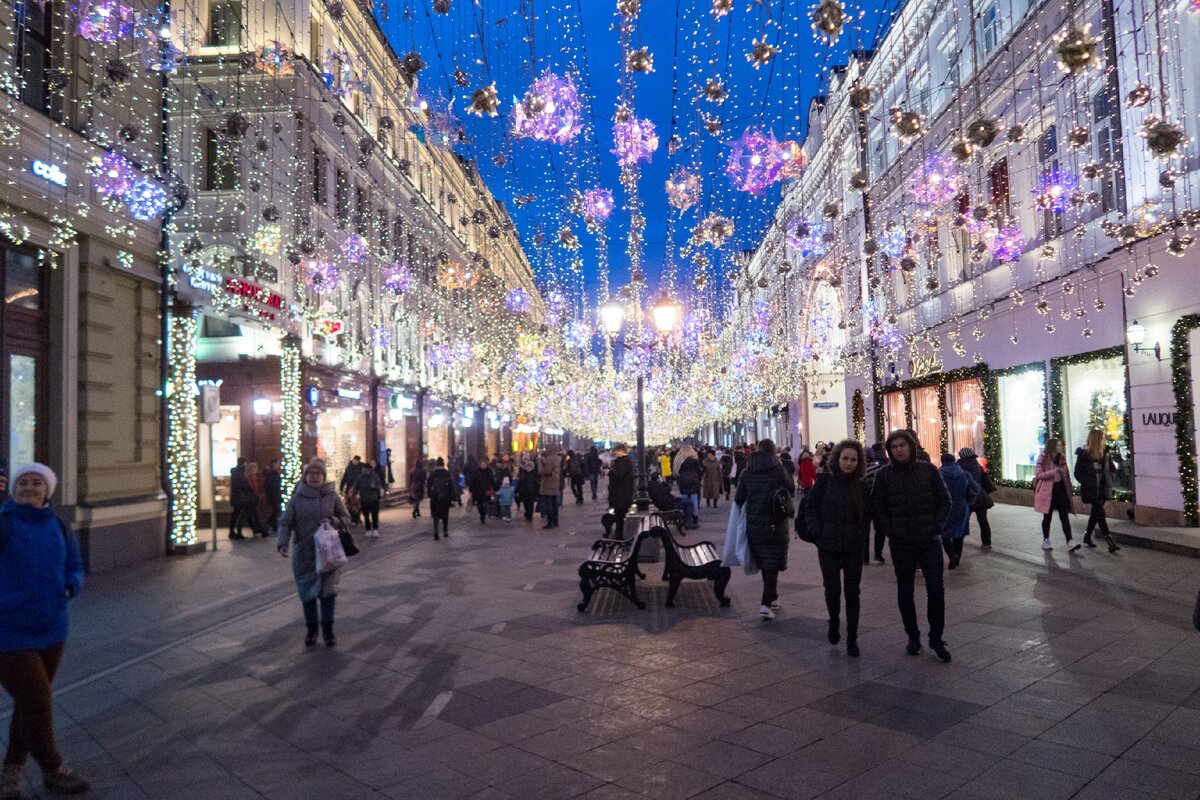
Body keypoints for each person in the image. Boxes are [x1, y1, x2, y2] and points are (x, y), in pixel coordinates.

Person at [0, 464, 90, 798]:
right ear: (14, 489)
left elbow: (76, 567)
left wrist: (72, 585)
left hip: (53, 627)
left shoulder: (58, 525)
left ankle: (11, 770)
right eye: (22, 482)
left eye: (36, 482)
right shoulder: (5, 522)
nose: (28, 487)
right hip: (9, 628)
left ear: (47, 491)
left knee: (29, 703)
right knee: (37, 699)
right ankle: (53, 768)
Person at [870, 430, 953, 662]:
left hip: (929, 541)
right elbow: (878, 508)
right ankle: (913, 637)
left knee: (936, 589)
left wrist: (937, 526)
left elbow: (945, 500)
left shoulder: (928, 470)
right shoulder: (884, 475)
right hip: (901, 543)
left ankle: (936, 638)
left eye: (902, 445)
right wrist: (891, 529)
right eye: (894, 446)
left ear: (911, 446)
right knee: (905, 591)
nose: (898, 449)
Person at [804, 441, 869, 657]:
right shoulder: (824, 482)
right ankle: (834, 621)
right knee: (832, 590)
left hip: (853, 547)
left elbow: (868, 514)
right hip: (828, 545)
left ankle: (852, 638)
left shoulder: (862, 486)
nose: (848, 463)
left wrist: (862, 537)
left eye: (853, 459)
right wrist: (817, 531)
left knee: (853, 592)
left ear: (858, 462)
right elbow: (810, 507)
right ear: (837, 459)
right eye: (845, 458)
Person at [276, 459, 349, 648]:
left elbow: (346, 518)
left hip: (328, 552)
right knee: (307, 593)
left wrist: (334, 520)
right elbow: (285, 522)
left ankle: (328, 630)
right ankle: (311, 630)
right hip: (305, 553)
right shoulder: (297, 498)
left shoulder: (332, 496)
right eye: (311, 473)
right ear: (306, 476)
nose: (315, 476)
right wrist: (283, 542)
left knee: (328, 593)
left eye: (318, 473)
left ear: (324, 476)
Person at [735, 439, 795, 621]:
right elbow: (791, 489)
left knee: (766, 563)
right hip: (775, 523)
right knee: (772, 564)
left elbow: (738, 499)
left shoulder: (747, 472)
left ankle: (773, 597)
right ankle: (765, 603)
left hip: (754, 526)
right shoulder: (777, 470)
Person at [1075, 429, 1121, 553]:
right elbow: (1077, 473)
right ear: (1096, 439)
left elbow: (1112, 468)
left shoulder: (1105, 452)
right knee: (1100, 513)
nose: (1103, 440)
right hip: (1091, 489)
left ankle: (1087, 536)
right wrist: (1086, 482)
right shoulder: (1084, 453)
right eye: (1102, 438)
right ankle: (1109, 540)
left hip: (1102, 488)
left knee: (1096, 513)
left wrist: (1110, 477)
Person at [1035, 439, 1079, 553]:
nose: (1060, 446)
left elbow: (1066, 474)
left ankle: (1070, 541)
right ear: (1053, 446)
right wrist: (1054, 472)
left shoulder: (1061, 457)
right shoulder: (1043, 457)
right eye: (1058, 444)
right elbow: (1039, 475)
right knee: (1047, 516)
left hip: (1060, 489)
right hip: (1048, 490)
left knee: (1064, 516)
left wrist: (1069, 489)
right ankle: (1046, 540)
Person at [938, 453, 979, 569]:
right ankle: (957, 559)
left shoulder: (939, 474)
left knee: (943, 533)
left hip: (946, 507)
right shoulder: (964, 473)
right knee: (959, 534)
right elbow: (975, 488)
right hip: (962, 506)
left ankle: (952, 555)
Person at [957, 448, 994, 549]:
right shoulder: (977, 465)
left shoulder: (960, 466)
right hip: (981, 497)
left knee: (963, 521)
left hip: (968, 498)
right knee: (983, 521)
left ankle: (958, 542)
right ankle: (987, 543)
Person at [863, 443, 889, 564]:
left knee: (865, 530)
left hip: (864, 504)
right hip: (878, 503)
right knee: (880, 529)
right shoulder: (878, 469)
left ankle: (865, 556)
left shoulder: (860, 470)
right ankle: (878, 554)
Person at [229, 460, 264, 539]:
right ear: (243, 463)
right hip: (244, 499)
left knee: (245, 515)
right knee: (243, 515)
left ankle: (257, 530)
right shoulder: (243, 474)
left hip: (240, 498)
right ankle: (258, 530)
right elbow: (250, 487)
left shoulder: (237, 473)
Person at [607, 445, 635, 537]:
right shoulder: (623, 461)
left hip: (621, 493)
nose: (615, 453)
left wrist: (609, 472)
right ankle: (618, 533)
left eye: (616, 452)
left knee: (620, 515)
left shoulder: (624, 461)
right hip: (621, 493)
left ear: (620, 451)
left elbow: (619, 475)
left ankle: (619, 534)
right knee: (619, 514)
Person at [674, 445, 703, 529]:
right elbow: (699, 471)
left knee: (684, 499)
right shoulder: (694, 460)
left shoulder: (679, 460)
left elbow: (677, 472)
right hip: (693, 480)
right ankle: (695, 518)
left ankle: (685, 517)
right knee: (694, 500)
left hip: (683, 480)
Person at [426, 458, 454, 540]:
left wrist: (430, 495)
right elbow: (451, 486)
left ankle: (436, 532)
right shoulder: (447, 473)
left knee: (435, 516)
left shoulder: (433, 474)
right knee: (445, 515)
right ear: (443, 464)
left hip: (435, 498)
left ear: (437, 464)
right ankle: (445, 531)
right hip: (445, 498)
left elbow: (428, 485)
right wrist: (452, 496)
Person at [353, 462, 383, 537]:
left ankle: (375, 530)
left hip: (374, 499)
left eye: (366, 470)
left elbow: (379, 487)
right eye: (363, 469)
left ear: (370, 470)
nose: (364, 471)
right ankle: (368, 530)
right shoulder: (360, 477)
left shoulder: (374, 477)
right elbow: (356, 486)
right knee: (366, 515)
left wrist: (374, 487)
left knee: (374, 514)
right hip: (364, 499)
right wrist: (354, 493)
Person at [537, 449, 562, 529]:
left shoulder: (550, 460)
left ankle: (550, 522)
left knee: (549, 504)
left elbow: (544, 471)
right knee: (554, 503)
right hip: (555, 484)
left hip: (548, 485)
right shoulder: (557, 459)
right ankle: (555, 521)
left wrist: (540, 463)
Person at [469, 457, 495, 525]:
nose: (483, 465)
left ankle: (483, 515)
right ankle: (482, 514)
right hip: (477, 491)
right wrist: (471, 489)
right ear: (480, 464)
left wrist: (494, 487)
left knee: (485, 504)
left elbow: (492, 480)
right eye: (482, 464)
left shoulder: (489, 471)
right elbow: (472, 481)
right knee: (479, 505)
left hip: (486, 490)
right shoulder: (476, 471)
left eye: (484, 464)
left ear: (486, 465)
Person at [339, 456, 364, 524]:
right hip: (349, 488)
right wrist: (341, 487)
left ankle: (357, 518)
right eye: (354, 460)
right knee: (349, 504)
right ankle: (351, 518)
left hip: (357, 489)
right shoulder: (349, 468)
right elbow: (344, 478)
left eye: (357, 460)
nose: (355, 461)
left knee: (357, 505)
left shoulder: (361, 468)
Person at [517, 456, 539, 522]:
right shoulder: (523, 474)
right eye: (527, 466)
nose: (528, 468)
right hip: (524, 492)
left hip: (532, 492)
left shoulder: (535, 474)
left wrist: (538, 490)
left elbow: (537, 483)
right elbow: (520, 482)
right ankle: (527, 513)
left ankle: (530, 516)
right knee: (525, 504)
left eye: (530, 467)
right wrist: (517, 490)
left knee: (531, 505)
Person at [263, 460, 283, 533]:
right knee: (276, 511)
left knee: (275, 511)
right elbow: (270, 484)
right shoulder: (271, 473)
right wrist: (276, 487)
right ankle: (268, 525)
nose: (278, 465)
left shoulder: (274, 473)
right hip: (273, 495)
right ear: (273, 464)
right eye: (277, 464)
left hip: (275, 495)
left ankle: (273, 526)